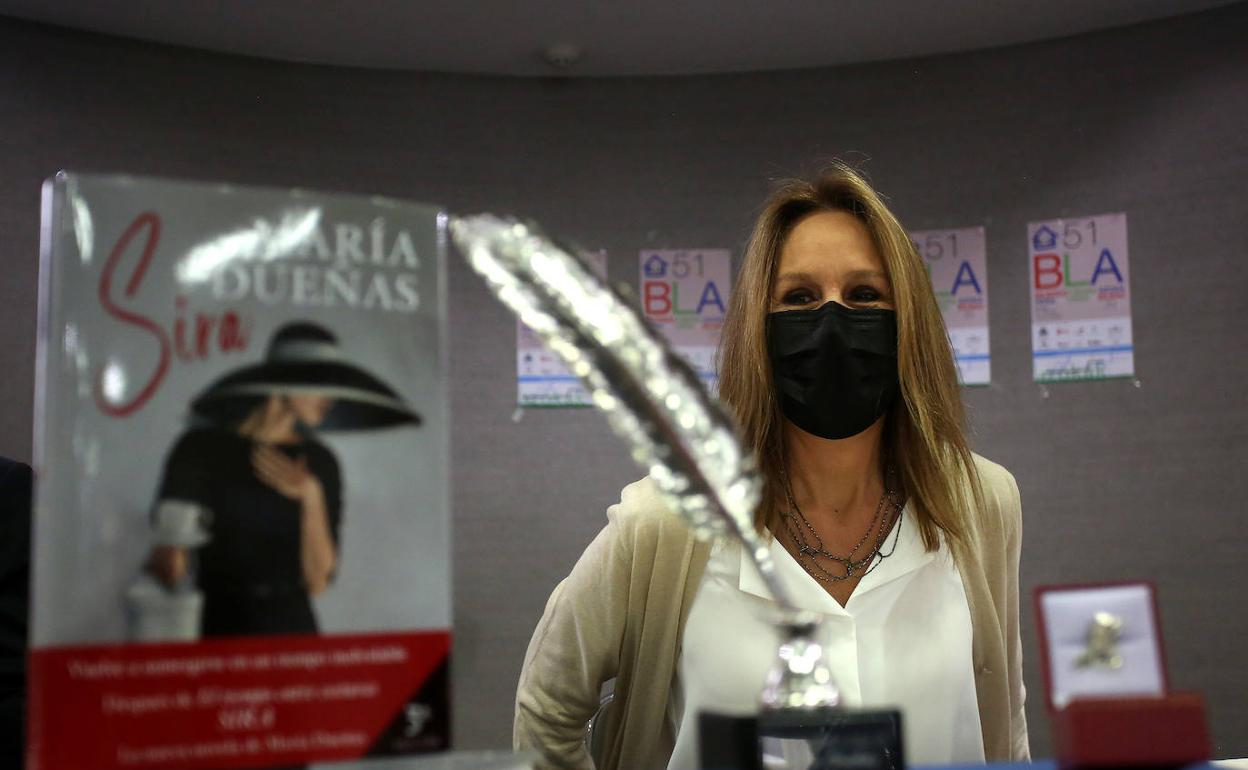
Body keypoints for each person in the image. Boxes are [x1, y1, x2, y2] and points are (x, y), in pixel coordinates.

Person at [513, 163, 1028, 768]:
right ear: (759, 327)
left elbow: (1004, 725)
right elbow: (546, 708)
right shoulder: (666, 522)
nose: (832, 320)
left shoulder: (982, 502)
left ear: (909, 323)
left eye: (864, 294)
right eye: (800, 297)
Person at [147, 321, 420, 637]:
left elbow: (318, 582)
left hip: (293, 630)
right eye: (318, 383)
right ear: (282, 383)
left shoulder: (320, 461)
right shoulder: (199, 449)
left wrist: (311, 495)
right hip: (217, 628)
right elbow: (169, 568)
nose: (328, 398)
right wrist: (173, 541)